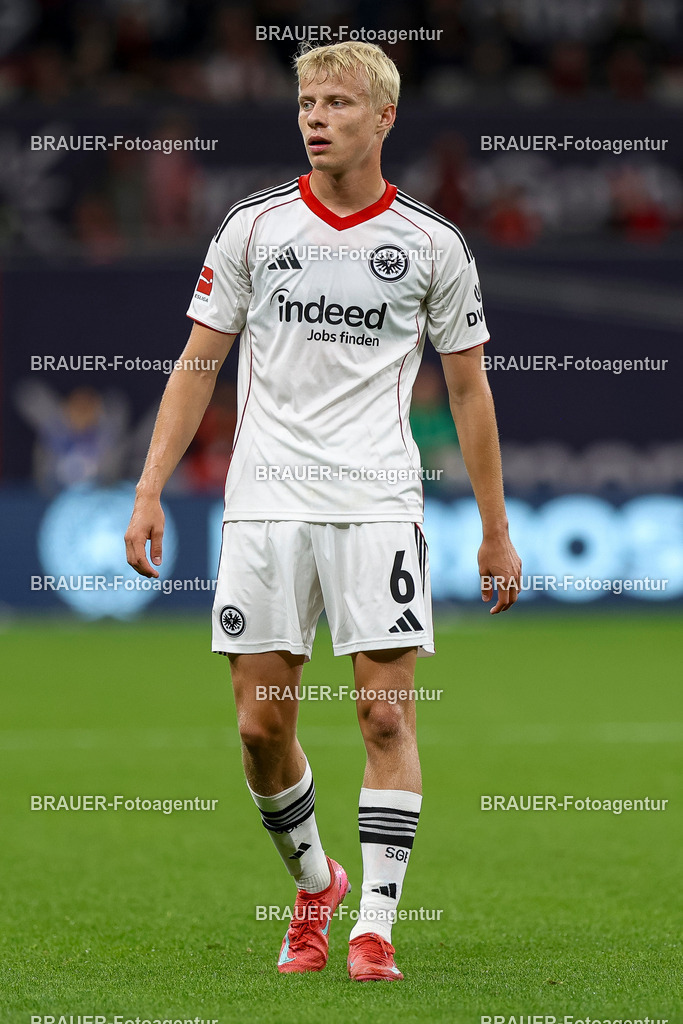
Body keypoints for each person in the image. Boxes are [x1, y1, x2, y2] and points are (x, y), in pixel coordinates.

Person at [125, 40, 521, 983]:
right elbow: (198, 365)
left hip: (377, 501)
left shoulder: (431, 244)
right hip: (264, 503)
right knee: (260, 729)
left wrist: (494, 529)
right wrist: (147, 488)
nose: (316, 118)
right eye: (307, 103)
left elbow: (469, 390)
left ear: (383, 118)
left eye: (338, 103)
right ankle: (315, 884)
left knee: (384, 716)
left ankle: (374, 928)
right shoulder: (254, 227)